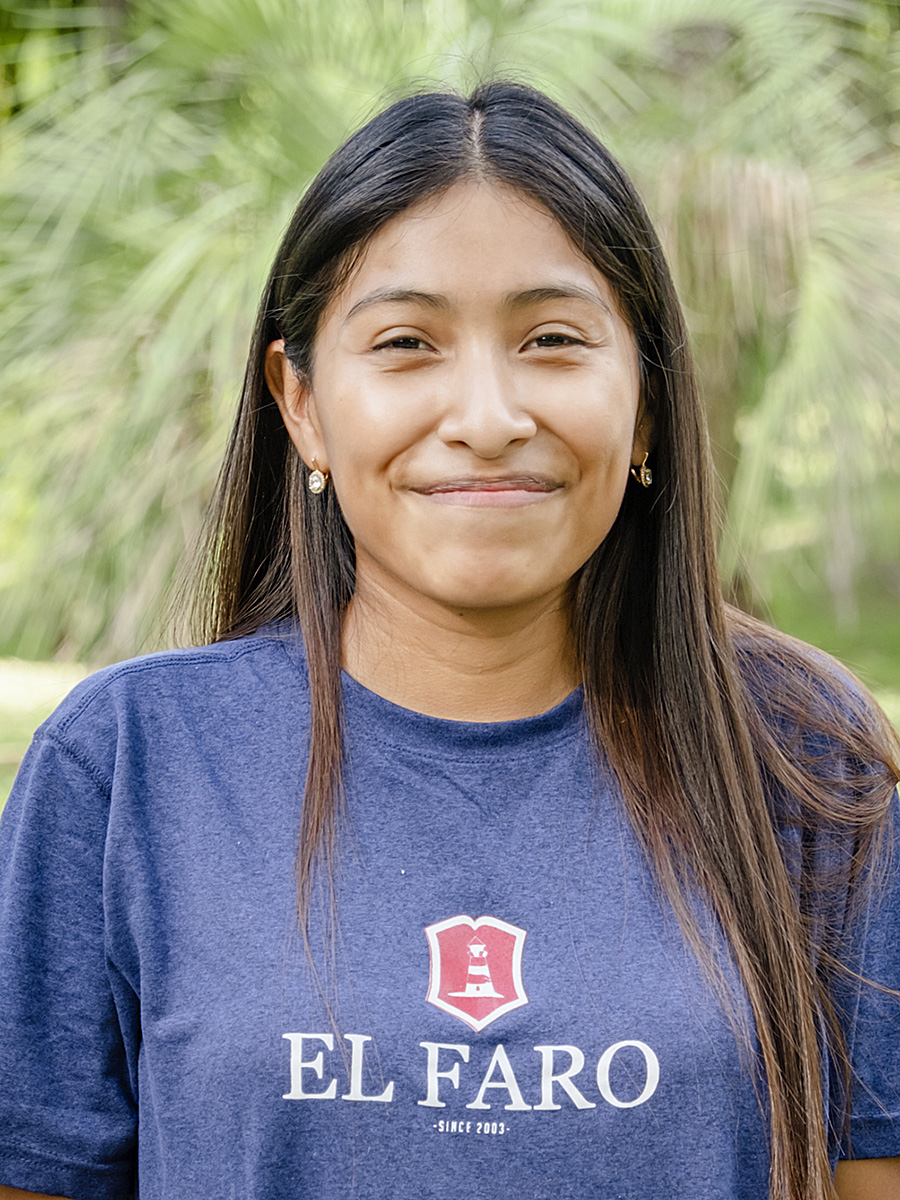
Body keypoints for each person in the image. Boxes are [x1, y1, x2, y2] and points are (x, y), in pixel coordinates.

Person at [0, 80, 898, 1200]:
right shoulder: (129, 764)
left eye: (554, 339)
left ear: (651, 404)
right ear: (304, 404)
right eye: (408, 342)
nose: (485, 416)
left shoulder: (808, 761)